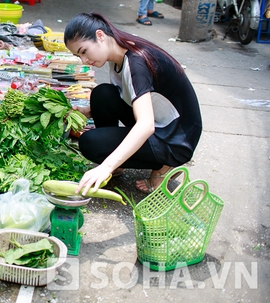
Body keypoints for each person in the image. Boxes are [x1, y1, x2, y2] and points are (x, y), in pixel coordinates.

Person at [63, 13, 202, 196]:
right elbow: (124, 93)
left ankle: (163, 167)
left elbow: (146, 125)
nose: (84, 61)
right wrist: (87, 111)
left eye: (83, 51)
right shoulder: (119, 50)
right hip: (163, 122)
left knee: (90, 143)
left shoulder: (136, 63)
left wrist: (105, 166)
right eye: (78, 56)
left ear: (100, 36)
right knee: (102, 94)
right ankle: (120, 162)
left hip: (176, 138)